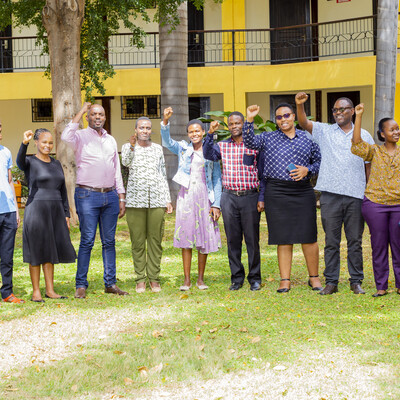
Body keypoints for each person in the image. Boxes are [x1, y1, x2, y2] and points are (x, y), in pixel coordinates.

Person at [296, 92, 375, 295]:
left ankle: (355, 281)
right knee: (331, 241)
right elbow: (304, 123)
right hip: (330, 195)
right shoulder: (324, 131)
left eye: (342, 109)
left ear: (352, 110)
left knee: (355, 242)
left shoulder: (364, 135)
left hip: (356, 195)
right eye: (335, 110)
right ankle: (331, 281)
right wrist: (300, 105)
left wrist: (369, 192)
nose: (338, 113)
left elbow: (368, 166)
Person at [243, 104, 322, 293]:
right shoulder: (268, 137)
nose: (283, 119)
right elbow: (249, 142)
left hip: (303, 191)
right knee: (283, 237)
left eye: (286, 115)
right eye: (279, 117)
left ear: (293, 116)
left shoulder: (308, 137)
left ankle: (314, 278)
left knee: (309, 236)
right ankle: (285, 280)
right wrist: (250, 119)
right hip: (277, 192)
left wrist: (307, 170)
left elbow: (319, 161)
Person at [62, 102, 128, 299]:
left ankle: (111, 283)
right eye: (93, 114)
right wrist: (81, 110)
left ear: (105, 117)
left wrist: (121, 195)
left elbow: (116, 169)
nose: (97, 117)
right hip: (87, 195)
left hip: (110, 195)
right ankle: (81, 284)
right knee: (87, 241)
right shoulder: (80, 137)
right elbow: (65, 136)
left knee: (109, 242)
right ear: (88, 117)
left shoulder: (111, 140)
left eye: (101, 114)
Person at [160, 107, 222, 291]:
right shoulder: (183, 148)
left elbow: (217, 178)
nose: (194, 134)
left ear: (203, 132)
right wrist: (165, 122)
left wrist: (216, 204)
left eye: (197, 131)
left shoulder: (211, 151)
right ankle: (187, 279)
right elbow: (167, 142)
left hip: (205, 196)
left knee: (203, 237)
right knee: (186, 236)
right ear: (187, 134)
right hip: (186, 195)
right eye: (191, 132)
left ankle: (200, 279)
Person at [203, 111, 263, 291]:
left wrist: (261, 197)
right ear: (228, 126)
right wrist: (210, 134)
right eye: (231, 124)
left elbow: (262, 173)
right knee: (233, 240)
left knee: (252, 240)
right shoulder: (222, 146)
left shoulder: (254, 146)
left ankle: (255, 278)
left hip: (250, 196)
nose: (234, 126)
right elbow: (207, 154)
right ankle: (237, 278)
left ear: (244, 124)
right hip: (229, 197)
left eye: (238, 123)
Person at [17, 128, 76, 302]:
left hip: (56, 211)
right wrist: (23, 143)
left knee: (51, 250)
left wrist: (66, 213)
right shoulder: (29, 161)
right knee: (36, 250)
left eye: (50, 143)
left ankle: (50, 290)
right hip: (36, 210)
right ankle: (36, 291)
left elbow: (63, 190)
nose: (47, 145)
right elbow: (19, 162)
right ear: (36, 142)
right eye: (44, 142)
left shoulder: (56, 163)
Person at [351, 105, 400, 297]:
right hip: (375, 205)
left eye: (397, 128)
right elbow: (356, 144)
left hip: (398, 206)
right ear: (382, 133)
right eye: (392, 129)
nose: (396, 132)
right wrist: (359, 116)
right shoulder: (374, 152)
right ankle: (381, 286)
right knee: (378, 245)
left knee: (398, 245)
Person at [121, 116, 173, 293]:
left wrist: (167, 199)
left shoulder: (158, 149)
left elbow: (162, 173)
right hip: (135, 201)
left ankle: (154, 278)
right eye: (141, 128)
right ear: (136, 130)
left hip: (156, 200)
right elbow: (125, 162)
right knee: (137, 242)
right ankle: (140, 279)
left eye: (148, 128)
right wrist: (132, 145)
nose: (145, 131)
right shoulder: (128, 147)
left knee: (155, 241)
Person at [0, 120, 24, 304]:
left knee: (7, 255)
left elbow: (9, 181)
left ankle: (7, 292)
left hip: (8, 210)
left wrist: (16, 211)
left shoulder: (6, 152)